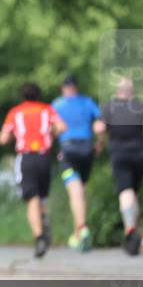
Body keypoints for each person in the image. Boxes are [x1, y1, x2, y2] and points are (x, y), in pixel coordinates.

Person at [0, 82, 66, 259]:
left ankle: (39, 237)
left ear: (22, 96)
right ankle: (44, 220)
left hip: (26, 158)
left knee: (31, 199)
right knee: (42, 197)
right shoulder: (46, 109)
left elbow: (3, 138)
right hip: (44, 157)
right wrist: (50, 134)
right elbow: (62, 127)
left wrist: (16, 135)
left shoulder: (15, 112)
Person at [96, 77, 143, 256]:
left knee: (125, 191)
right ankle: (134, 233)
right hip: (139, 155)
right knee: (134, 193)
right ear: (132, 91)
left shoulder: (110, 106)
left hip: (119, 155)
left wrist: (101, 143)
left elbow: (100, 128)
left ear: (118, 91)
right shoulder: (140, 105)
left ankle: (130, 231)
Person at [51, 74, 102, 251]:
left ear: (63, 88)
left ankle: (81, 228)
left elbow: (51, 129)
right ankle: (79, 235)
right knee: (82, 191)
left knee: (75, 192)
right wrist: (99, 144)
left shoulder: (57, 104)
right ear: (77, 87)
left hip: (69, 150)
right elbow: (100, 126)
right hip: (87, 150)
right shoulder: (88, 102)